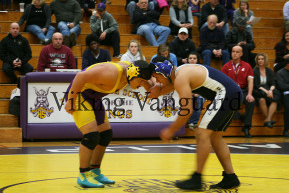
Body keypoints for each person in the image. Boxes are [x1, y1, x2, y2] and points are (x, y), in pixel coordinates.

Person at [149, 56, 242, 190]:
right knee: (214, 136)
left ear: (163, 72)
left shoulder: (181, 77)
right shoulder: (180, 72)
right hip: (233, 93)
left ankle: (196, 179)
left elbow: (187, 110)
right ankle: (230, 177)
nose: (157, 81)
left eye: (157, 77)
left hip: (226, 94)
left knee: (201, 133)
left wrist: (171, 130)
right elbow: (173, 86)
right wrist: (159, 91)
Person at [64, 60, 154, 188]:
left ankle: (95, 172)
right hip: (79, 94)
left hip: (93, 97)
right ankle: (83, 174)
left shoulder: (133, 73)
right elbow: (80, 76)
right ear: (133, 74)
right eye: (141, 81)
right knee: (91, 135)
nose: (142, 85)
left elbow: (150, 87)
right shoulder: (110, 73)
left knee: (105, 134)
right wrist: (71, 101)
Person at [222, 46, 255, 138]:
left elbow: (250, 81)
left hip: (243, 90)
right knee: (229, 102)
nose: (234, 53)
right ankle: (240, 117)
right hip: (231, 91)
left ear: (241, 54)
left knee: (251, 101)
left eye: (237, 52)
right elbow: (223, 82)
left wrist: (249, 94)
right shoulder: (226, 66)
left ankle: (247, 127)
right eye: (233, 51)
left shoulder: (247, 66)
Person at [253, 53, 280, 128]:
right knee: (262, 100)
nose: (260, 61)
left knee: (275, 100)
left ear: (265, 60)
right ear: (257, 61)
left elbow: (273, 83)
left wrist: (270, 90)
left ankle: (267, 120)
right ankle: (269, 120)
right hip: (258, 91)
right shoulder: (254, 71)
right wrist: (266, 91)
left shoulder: (269, 71)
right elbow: (256, 85)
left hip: (268, 89)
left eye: (262, 59)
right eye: (259, 59)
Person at [186, 52, 205, 130]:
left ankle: (193, 122)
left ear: (197, 60)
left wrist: (197, 92)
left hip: (198, 90)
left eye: (194, 58)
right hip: (186, 91)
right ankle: (190, 122)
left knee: (200, 98)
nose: (192, 60)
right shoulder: (183, 69)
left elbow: (203, 82)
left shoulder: (202, 69)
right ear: (188, 60)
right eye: (190, 58)